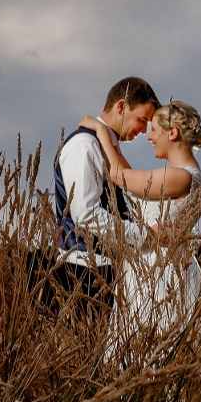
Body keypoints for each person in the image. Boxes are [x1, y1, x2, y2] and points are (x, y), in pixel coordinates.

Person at [78, 101, 201, 339]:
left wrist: (101, 131)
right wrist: (114, 144)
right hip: (165, 267)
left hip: (157, 274)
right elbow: (134, 184)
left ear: (172, 133)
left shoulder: (179, 176)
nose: (149, 137)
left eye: (154, 131)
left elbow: (120, 176)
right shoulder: (194, 175)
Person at [53, 77, 160, 316]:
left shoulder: (107, 149)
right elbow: (86, 215)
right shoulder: (84, 145)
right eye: (142, 120)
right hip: (82, 273)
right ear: (121, 107)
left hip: (106, 273)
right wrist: (143, 237)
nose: (144, 130)